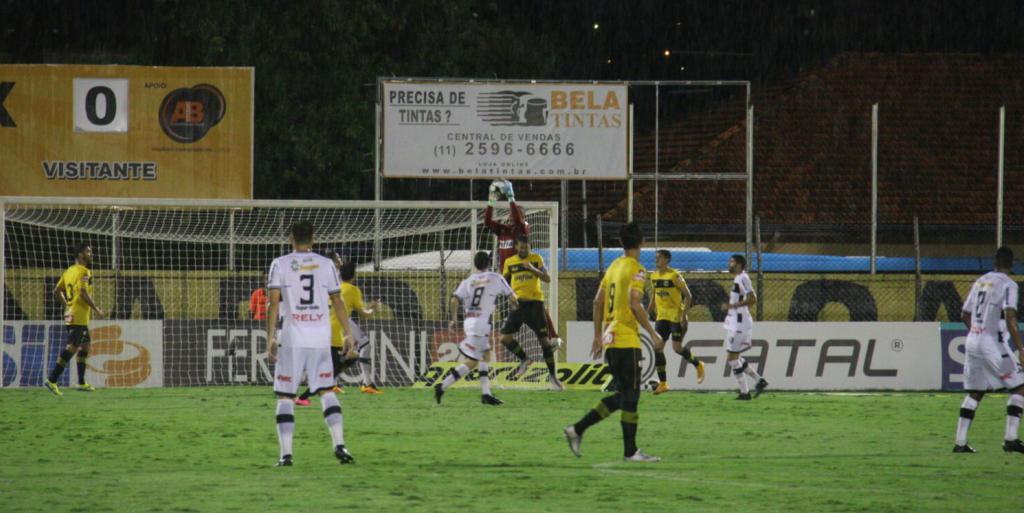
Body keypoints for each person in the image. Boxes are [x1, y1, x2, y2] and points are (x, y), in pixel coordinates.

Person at [563, 222, 663, 462]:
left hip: (610, 339)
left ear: (621, 243)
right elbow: (635, 302)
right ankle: (627, 450)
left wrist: (598, 336)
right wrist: (652, 332)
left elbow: (597, 302)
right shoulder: (637, 270)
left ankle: (577, 430)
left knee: (625, 396)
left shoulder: (614, 267)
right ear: (642, 243)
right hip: (626, 340)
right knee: (631, 396)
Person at [266, 221, 355, 467]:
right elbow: (337, 300)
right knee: (326, 390)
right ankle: (340, 445)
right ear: (313, 239)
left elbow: (274, 303)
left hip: (293, 338)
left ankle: (286, 455)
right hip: (319, 338)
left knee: (285, 394)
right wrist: (347, 334)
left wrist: (270, 337)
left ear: (290, 238)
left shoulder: (280, 264)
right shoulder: (326, 264)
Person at [953, 246, 1024, 454]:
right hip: (991, 342)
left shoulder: (980, 281)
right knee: (1020, 387)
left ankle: (960, 443)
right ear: (1012, 264)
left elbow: (964, 314)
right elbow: (1010, 316)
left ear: (995, 262)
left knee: (976, 391)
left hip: (972, 340)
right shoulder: (1009, 284)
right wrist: (1021, 348)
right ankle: (1011, 439)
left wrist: (977, 331)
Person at [434, 251, 517, 405]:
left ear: (475, 264)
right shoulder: (495, 277)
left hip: (470, 322)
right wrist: (514, 307)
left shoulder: (468, 281)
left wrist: (453, 319)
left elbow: (454, 300)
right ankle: (444, 385)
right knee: (473, 360)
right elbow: (513, 297)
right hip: (481, 324)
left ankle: (485, 394)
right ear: (489, 263)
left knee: (483, 356)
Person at [485, 180, 562, 343]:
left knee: (535, 305)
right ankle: (543, 334)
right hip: (505, 275)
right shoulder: (503, 231)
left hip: (520, 273)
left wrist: (511, 198)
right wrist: (491, 200)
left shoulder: (521, 229)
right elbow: (487, 222)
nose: (509, 216)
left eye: (514, 214)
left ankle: (552, 336)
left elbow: (518, 220)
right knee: (520, 307)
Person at [500, 235, 564, 390]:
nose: (523, 250)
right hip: (518, 305)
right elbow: (503, 283)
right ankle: (524, 359)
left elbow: (547, 278)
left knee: (545, 342)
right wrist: (509, 297)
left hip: (535, 305)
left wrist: (533, 269)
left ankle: (553, 377)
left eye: (526, 247)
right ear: (516, 247)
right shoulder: (510, 262)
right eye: (521, 247)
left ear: (529, 247)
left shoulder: (536, 258)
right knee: (505, 338)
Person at [295, 254, 359, 405]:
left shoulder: (323, 286)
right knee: (331, 371)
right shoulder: (342, 289)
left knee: (334, 368)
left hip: (319, 331)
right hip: (330, 336)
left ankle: (304, 394)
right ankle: (302, 397)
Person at [45, 243, 105, 395]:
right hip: (78, 315)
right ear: (79, 254)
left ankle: (81, 382)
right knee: (71, 348)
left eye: (91, 251)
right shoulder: (84, 271)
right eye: (88, 251)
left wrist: (67, 304)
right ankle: (52, 379)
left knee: (85, 346)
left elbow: (57, 291)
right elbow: (83, 292)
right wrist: (96, 308)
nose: (91, 254)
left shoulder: (69, 271)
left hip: (71, 313)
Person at [647, 249, 705, 394]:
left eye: (659, 258)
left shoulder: (674, 275)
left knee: (677, 348)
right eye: (656, 258)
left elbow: (688, 296)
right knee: (657, 348)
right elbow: (654, 297)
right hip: (661, 317)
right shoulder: (653, 276)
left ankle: (698, 364)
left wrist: (684, 315)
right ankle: (664, 383)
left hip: (675, 317)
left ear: (666, 260)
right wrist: (647, 313)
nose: (656, 260)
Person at [720, 254, 768, 400]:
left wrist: (732, 305)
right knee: (735, 357)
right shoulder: (738, 278)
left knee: (732, 359)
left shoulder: (743, 278)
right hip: (735, 322)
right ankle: (759, 381)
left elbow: (753, 299)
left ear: (739, 264)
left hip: (740, 324)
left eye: (732, 262)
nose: (730, 264)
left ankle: (745, 392)